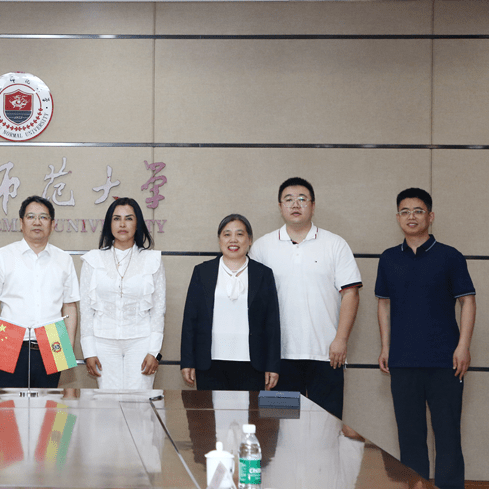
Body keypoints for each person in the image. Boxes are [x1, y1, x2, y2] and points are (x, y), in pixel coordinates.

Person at [375, 188, 475, 489]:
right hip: (403, 361)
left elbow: (467, 301)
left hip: (446, 361)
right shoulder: (389, 258)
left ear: (430, 216)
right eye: (404, 211)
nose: (411, 217)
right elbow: (382, 302)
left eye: (418, 211)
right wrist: (386, 346)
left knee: (447, 434)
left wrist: (463, 346)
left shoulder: (450, 256)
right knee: (409, 435)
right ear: (397, 218)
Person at [248, 177, 361, 418]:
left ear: (313, 205)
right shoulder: (262, 247)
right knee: (280, 431)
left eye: (302, 199)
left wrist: (340, 340)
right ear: (280, 207)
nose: (295, 204)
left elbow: (350, 293)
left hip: (326, 355)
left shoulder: (335, 244)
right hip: (279, 358)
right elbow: (255, 304)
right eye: (288, 200)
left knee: (326, 429)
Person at [0, 195, 79, 388]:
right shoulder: (3, 256)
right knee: (7, 410)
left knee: (49, 411)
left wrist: (68, 346)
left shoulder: (63, 259)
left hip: (53, 341)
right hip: (7, 340)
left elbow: (70, 305)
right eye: (31, 216)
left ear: (52, 223)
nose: (37, 222)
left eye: (43, 217)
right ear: (21, 222)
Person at [181, 214, 281, 391]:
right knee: (210, 417)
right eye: (227, 234)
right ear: (219, 240)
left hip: (252, 363)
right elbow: (190, 320)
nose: (233, 239)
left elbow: (272, 323)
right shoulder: (202, 272)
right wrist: (187, 361)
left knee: (248, 418)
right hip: (210, 362)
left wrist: (272, 365)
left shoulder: (263, 274)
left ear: (250, 240)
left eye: (240, 234)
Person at [79, 197, 165, 390]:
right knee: (108, 405)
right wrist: (89, 351)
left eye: (129, 218)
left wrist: (154, 350)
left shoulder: (152, 260)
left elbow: (159, 309)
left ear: (138, 223)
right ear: (109, 224)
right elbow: (85, 310)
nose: (123, 224)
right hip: (103, 342)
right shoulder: (93, 260)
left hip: (141, 341)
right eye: (117, 218)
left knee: (139, 405)